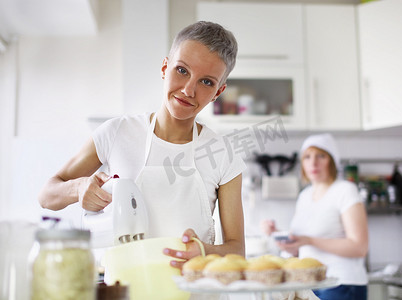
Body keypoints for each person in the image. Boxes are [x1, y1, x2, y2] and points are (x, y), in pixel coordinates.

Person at [38, 21, 246, 269]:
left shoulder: (223, 154)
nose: (189, 90)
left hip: (194, 292)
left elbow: (237, 250)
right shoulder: (117, 132)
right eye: (182, 70)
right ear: (164, 67)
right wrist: (79, 188)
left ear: (218, 92)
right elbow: (47, 195)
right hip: (124, 289)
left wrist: (203, 251)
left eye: (206, 82)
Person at [261, 133, 369, 300]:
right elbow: (301, 246)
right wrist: (281, 236)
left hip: (341, 284)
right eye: (307, 157)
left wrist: (309, 240)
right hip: (310, 284)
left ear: (332, 160)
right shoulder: (305, 195)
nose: (313, 162)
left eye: (321, 156)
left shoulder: (345, 190)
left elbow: (359, 247)